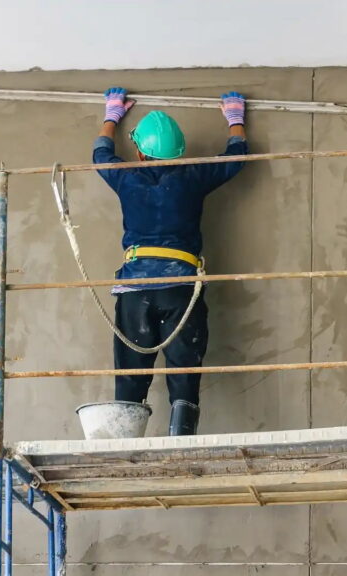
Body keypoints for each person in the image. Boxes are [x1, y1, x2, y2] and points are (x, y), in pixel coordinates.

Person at [92, 87, 248, 436]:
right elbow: (237, 157)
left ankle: (125, 446)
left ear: (141, 152)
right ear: (179, 151)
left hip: (136, 289)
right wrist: (234, 116)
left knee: (131, 375)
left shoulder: (127, 176)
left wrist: (112, 115)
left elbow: (101, 154)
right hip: (181, 288)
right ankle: (180, 443)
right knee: (183, 373)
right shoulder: (193, 176)